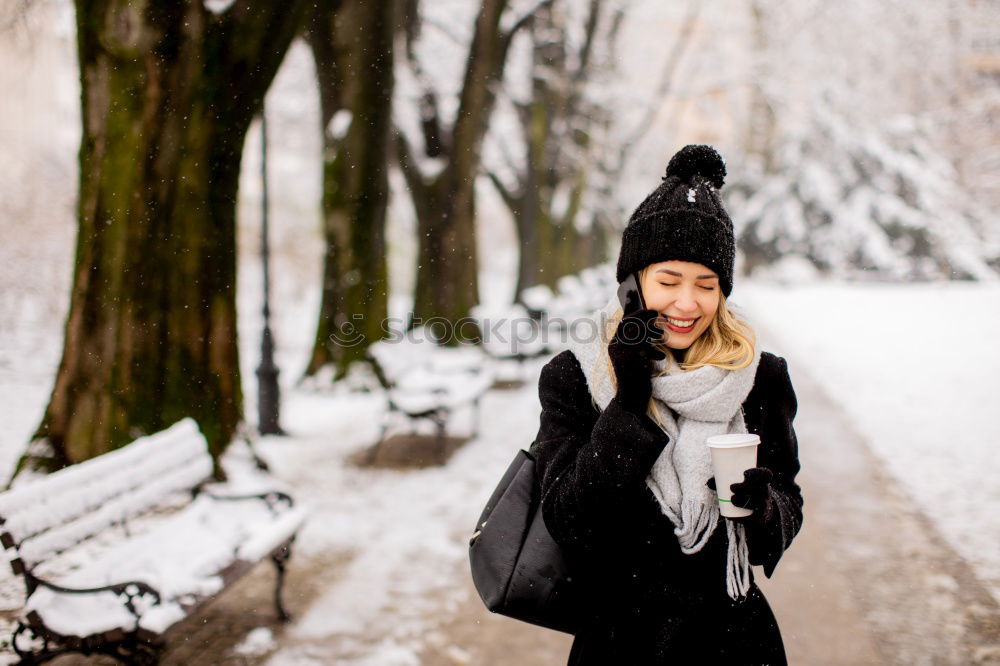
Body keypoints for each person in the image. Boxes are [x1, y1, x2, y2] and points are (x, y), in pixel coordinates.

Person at [529, 145, 803, 664]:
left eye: (706, 284)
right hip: (619, 643)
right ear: (633, 286)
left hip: (735, 644)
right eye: (668, 281)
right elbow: (571, 522)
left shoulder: (761, 378)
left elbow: (787, 511)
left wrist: (762, 509)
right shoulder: (575, 377)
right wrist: (629, 404)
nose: (686, 303)